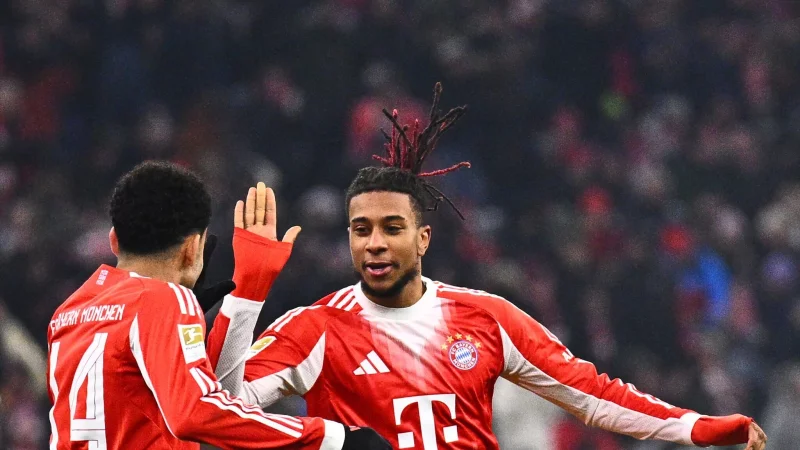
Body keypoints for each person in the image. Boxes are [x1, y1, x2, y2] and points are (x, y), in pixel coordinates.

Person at [209, 84, 768, 450]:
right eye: (361, 230)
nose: (375, 244)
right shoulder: (316, 329)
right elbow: (220, 410)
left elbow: (592, 393)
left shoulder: (486, 318)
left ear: (423, 239)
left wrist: (695, 426)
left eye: (392, 228)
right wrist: (247, 293)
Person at [46, 161, 391, 449]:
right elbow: (196, 414)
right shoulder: (163, 300)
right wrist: (331, 438)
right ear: (191, 247)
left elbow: (219, 400)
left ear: (113, 240)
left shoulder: (68, 313)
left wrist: (247, 293)